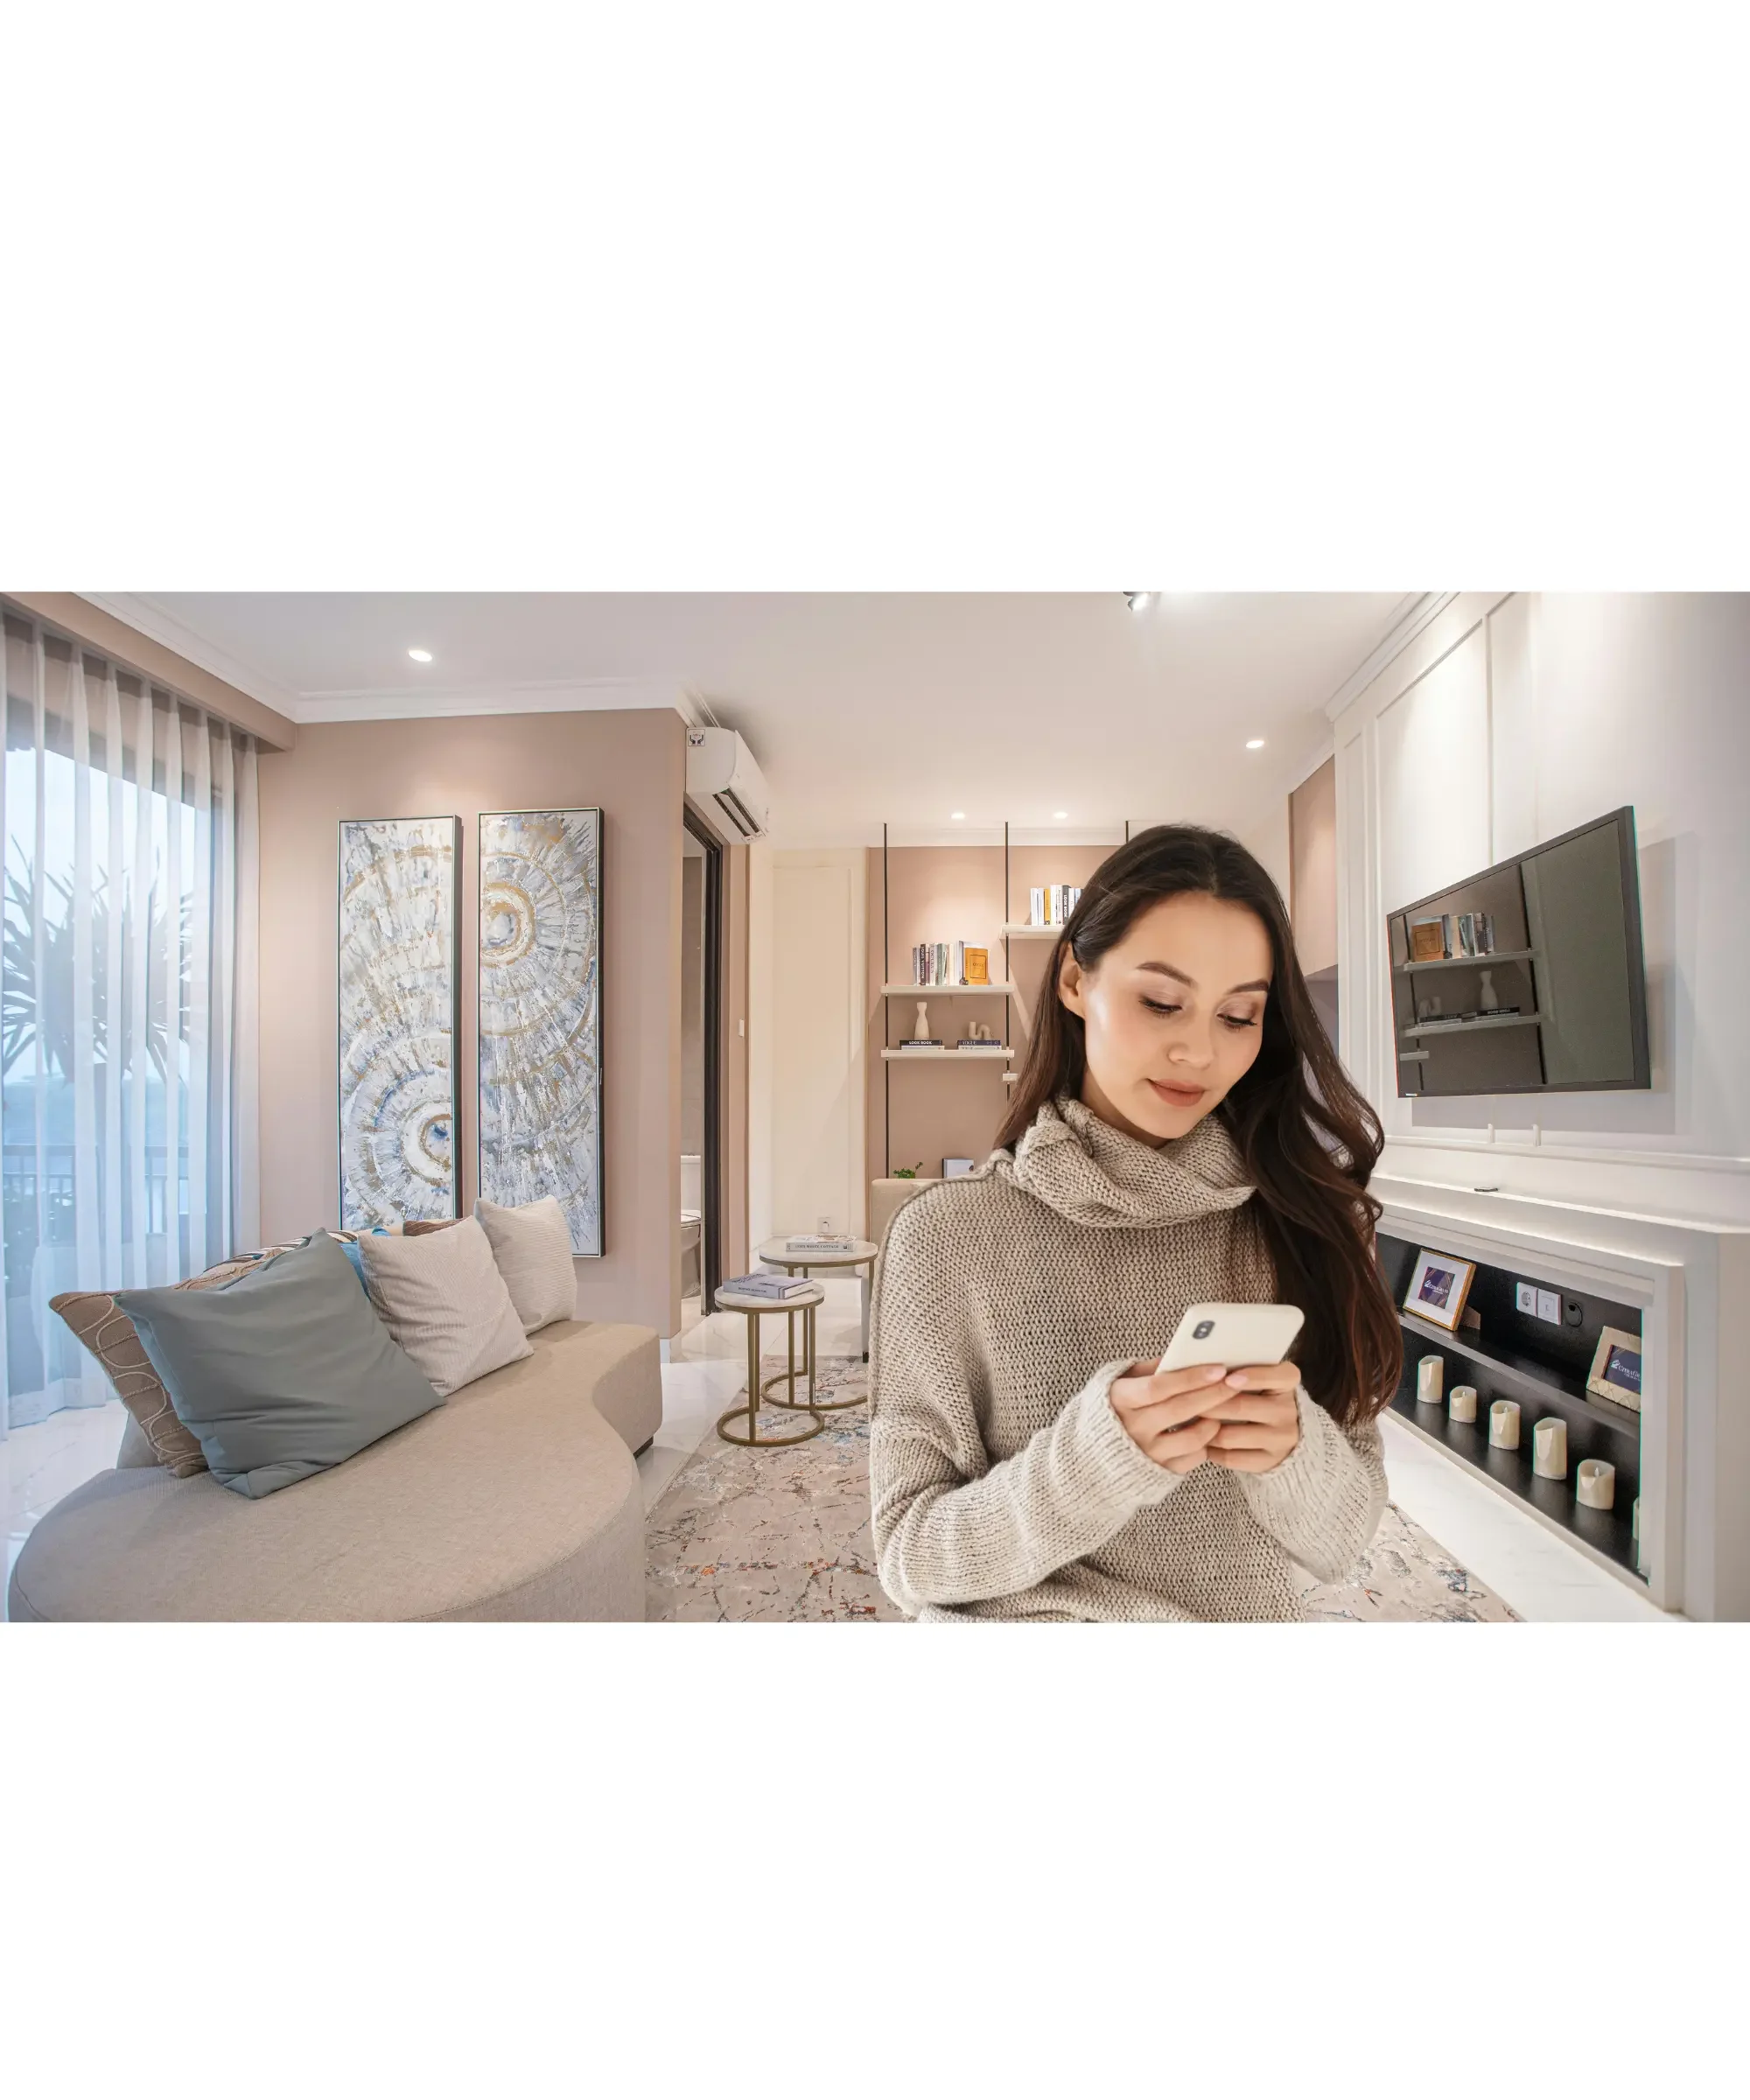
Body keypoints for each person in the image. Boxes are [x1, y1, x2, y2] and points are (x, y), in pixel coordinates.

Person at [867, 822, 1402, 1622]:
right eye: (1161, 1002)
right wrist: (1091, 1463)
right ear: (1076, 982)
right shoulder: (945, 1239)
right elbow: (910, 1557)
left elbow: (1342, 1541)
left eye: (1239, 1016)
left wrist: (1293, 1453)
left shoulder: (1301, 1224)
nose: (1199, 1052)